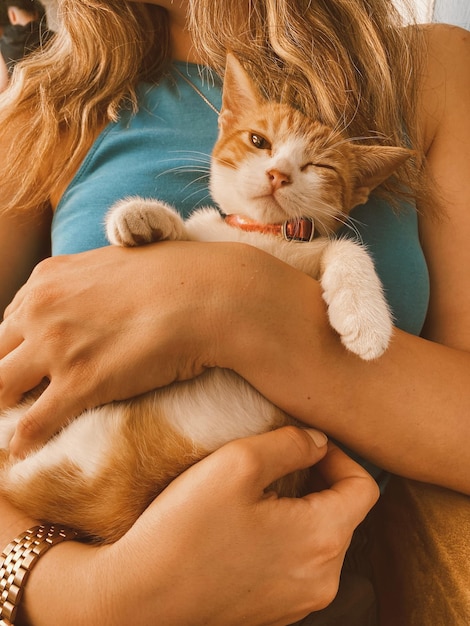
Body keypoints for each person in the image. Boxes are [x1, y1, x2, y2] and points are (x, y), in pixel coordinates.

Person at [0, 0, 469, 623]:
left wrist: (239, 305)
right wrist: (73, 593)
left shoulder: (431, 66)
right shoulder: (50, 99)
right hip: (70, 541)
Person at [0, 0, 52, 91]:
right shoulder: (54, 37)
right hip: (52, 96)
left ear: (12, 15)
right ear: (36, 14)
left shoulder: (3, 45)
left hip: (20, 101)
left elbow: (3, 85)